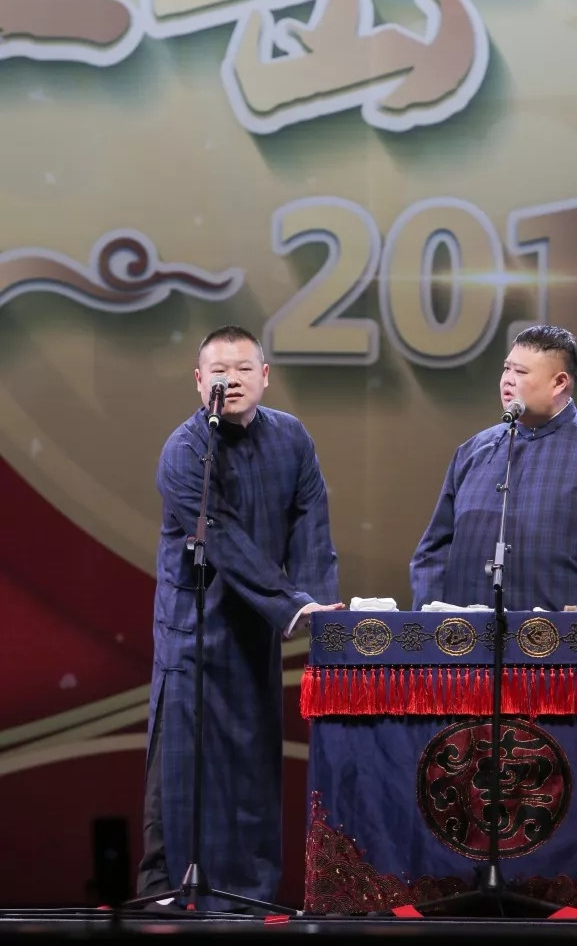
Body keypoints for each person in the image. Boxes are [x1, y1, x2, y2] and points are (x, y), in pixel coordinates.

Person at [137, 325, 343, 908]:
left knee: (253, 768)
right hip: (194, 627)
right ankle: (172, 894)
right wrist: (291, 604)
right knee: (185, 768)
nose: (231, 380)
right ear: (199, 380)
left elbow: (311, 522)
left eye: (244, 369)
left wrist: (317, 606)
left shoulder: (291, 437)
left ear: (265, 376)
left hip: (256, 629)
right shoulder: (185, 451)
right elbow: (222, 539)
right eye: (219, 371)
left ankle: (248, 896)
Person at [410, 324, 577, 612]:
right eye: (506, 369)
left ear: (559, 382)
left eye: (521, 372)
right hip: (467, 635)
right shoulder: (474, 451)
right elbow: (434, 549)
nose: (508, 380)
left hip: (562, 633)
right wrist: (430, 615)